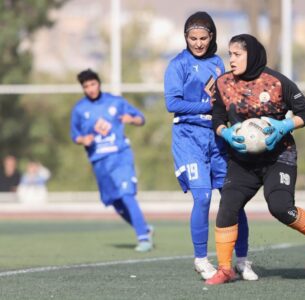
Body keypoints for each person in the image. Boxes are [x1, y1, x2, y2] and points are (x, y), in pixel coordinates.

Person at [206, 34, 305, 285]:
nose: (230, 59)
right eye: (229, 54)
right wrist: (226, 133)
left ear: (251, 55)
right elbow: (217, 119)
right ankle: (224, 269)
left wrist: (284, 126)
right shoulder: (223, 83)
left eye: (236, 54)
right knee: (227, 208)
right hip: (242, 161)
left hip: (279, 156)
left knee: (279, 207)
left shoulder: (277, 82)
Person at [164, 12, 258, 280]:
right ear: (185, 38)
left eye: (203, 38)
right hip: (188, 137)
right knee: (203, 196)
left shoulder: (219, 63)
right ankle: (201, 259)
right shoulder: (177, 65)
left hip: (217, 138)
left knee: (234, 200)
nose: (198, 43)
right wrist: (207, 107)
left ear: (212, 37)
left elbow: (228, 97)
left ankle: (242, 260)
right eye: (192, 38)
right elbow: (172, 103)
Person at [70, 69, 153, 252]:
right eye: (86, 86)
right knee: (114, 202)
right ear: (83, 88)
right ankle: (144, 227)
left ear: (98, 83)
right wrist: (83, 140)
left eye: (93, 84)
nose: (90, 89)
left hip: (120, 156)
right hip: (99, 160)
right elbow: (75, 135)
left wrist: (131, 119)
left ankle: (143, 237)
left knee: (126, 194)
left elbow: (141, 118)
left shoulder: (116, 102)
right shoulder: (79, 109)